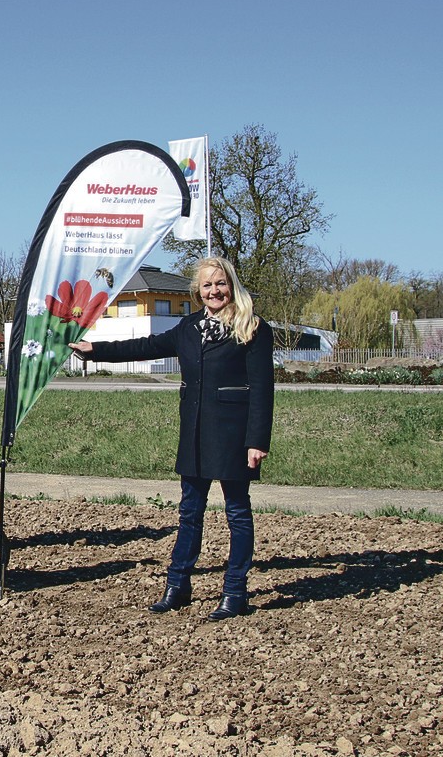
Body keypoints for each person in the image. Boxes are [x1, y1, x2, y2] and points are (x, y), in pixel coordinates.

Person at [69, 257, 274, 621]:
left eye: (221, 284)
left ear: (232, 286)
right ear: (198, 292)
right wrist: (95, 350)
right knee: (190, 512)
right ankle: (178, 585)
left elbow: (262, 390)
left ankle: (235, 592)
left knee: (237, 513)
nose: (215, 291)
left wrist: (257, 441)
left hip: (233, 437)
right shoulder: (189, 327)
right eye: (208, 286)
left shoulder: (254, 328)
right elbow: (145, 346)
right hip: (194, 434)